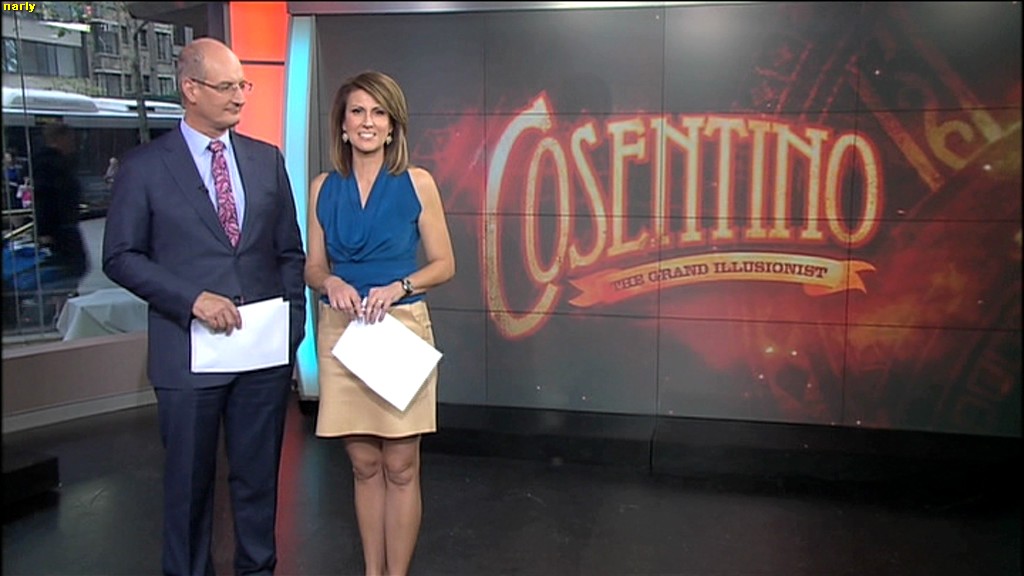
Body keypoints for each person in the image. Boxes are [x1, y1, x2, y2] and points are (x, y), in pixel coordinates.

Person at [102, 37, 306, 576]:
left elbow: (289, 251)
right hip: (187, 355)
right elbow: (120, 256)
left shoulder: (266, 160)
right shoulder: (145, 167)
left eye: (243, 85)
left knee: (258, 482)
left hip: (262, 354)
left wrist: (292, 327)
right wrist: (191, 299)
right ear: (190, 89)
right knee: (189, 486)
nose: (240, 97)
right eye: (227, 86)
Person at [305, 70, 455, 576]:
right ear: (342, 124)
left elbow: (444, 264)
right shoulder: (323, 188)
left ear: (393, 126)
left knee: (400, 465)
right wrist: (330, 282)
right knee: (364, 465)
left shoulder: (417, 183)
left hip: (399, 329)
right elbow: (313, 266)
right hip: (342, 331)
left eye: (378, 113)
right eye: (357, 112)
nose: (367, 122)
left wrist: (400, 286)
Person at [32, 122, 88, 295]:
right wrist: (45, 231)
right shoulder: (49, 164)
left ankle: (62, 302)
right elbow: (44, 198)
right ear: (59, 139)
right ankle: (60, 303)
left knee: (70, 270)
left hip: (64, 226)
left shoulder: (58, 162)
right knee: (67, 270)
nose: (74, 143)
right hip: (59, 228)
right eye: (70, 139)